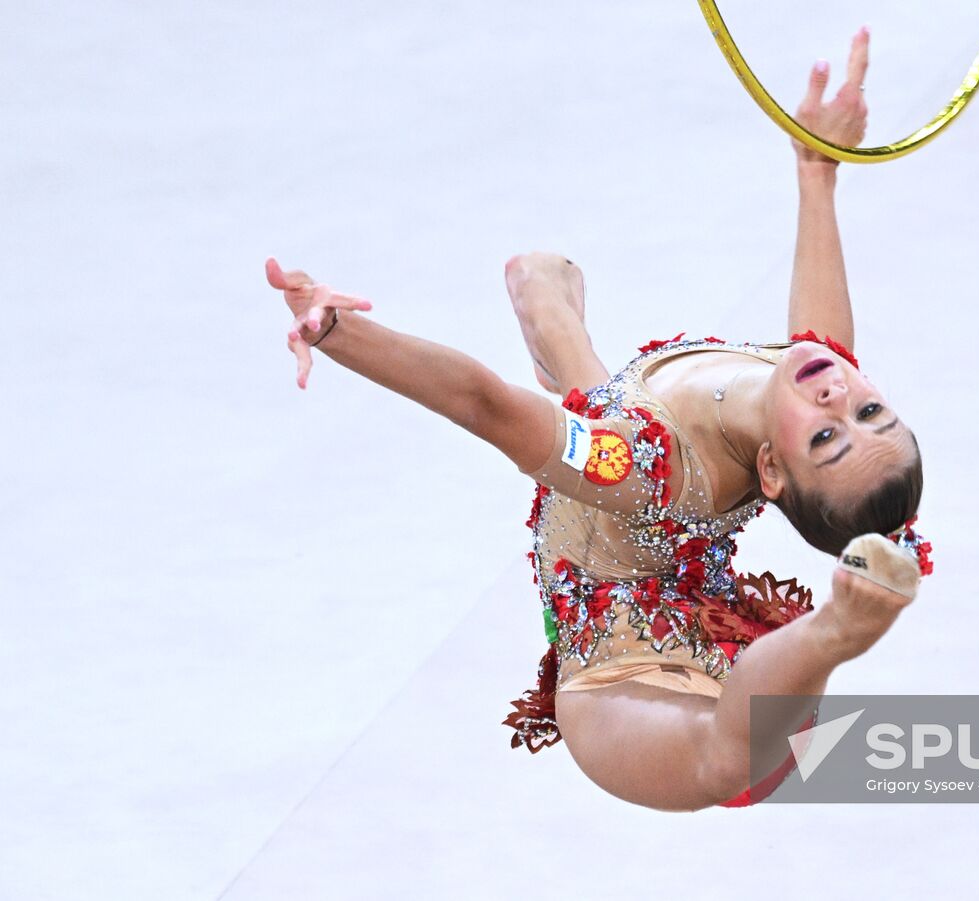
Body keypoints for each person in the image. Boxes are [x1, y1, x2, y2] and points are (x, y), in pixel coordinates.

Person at [268, 27, 932, 810]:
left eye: (827, 437)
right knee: (577, 355)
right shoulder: (816, 366)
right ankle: (563, 345)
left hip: (627, 670)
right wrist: (818, 164)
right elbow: (825, 328)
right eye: (871, 412)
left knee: (730, 763)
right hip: (659, 544)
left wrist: (341, 331)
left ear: (773, 472)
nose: (837, 400)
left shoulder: (641, 460)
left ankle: (836, 632)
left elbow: (483, 404)